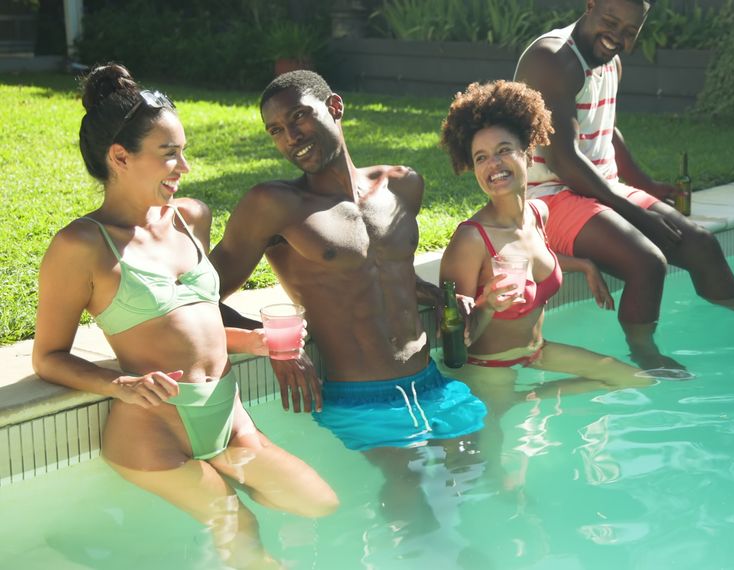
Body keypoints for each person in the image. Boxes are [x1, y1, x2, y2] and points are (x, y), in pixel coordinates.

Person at [32, 64, 338, 569]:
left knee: (319, 504)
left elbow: (193, 325)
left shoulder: (189, 217)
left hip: (228, 417)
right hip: (154, 432)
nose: (184, 167)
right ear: (120, 157)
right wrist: (120, 386)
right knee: (239, 528)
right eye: (170, 154)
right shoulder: (81, 246)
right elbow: (48, 357)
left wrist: (253, 341)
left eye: (183, 151)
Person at [209, 70, 487, 534]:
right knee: (412, 495)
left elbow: (381, 270)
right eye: (276, 130)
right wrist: (271, 342)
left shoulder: (404, 185)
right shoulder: (275, 204)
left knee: (476, 480)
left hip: (430, 383)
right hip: (360, 396)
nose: (289, 137)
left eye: (299, 118)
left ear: (334, 107)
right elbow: (198, 296)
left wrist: (435, 294)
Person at [514, 0, 734, 369]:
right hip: (548, 199)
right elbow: (563, 160)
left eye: (629, 31)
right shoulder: (553, 59)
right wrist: (636, 211)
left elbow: (605, 131)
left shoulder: (609, 61)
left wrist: (645, 184)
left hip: (596, 188)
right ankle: (645, 355)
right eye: (610, 21)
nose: (617, 37)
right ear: (591, 5)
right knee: (647, 263)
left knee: (700, 244)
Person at [438, 80, 653, 486]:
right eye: (480, 157)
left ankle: (531, 397)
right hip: (491, 370)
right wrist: (486, 305)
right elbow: (453, 347)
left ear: (527, 152)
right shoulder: (471, 241)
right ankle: (518, 402)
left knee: (636, 379)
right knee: (506, 483)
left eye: (503, 150)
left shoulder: (537, 213)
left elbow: (537, 262)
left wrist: (583, 265)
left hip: (536, 353)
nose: (493, 165)